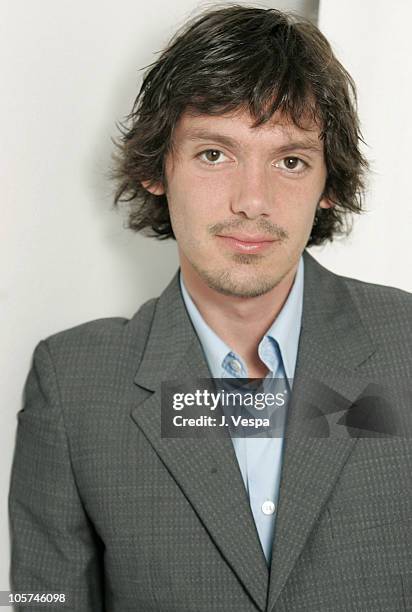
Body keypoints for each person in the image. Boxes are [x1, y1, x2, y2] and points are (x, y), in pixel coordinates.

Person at [8, 5, 412, 612]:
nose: (253, 201)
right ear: (157, 169)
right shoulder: (71, 383)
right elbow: (41, 602)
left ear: (328, 184)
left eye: (291, 161)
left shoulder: (406, 342)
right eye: (214, 154)